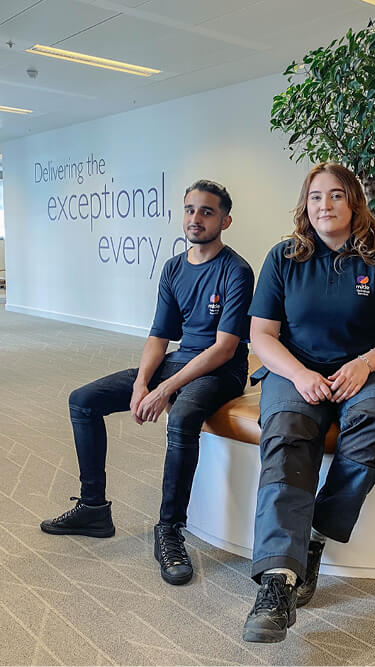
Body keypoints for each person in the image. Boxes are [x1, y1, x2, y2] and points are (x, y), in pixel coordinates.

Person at [40, 179, 254, 587]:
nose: (196, 218)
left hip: (221, 371)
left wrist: (165, 389)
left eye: (207, 212)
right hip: (180, 361)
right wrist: (142, 384)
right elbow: (159, 336)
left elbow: (225, 348)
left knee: (182, 417)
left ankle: (169, 529)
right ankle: (93, 507)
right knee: (83, 400)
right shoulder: (174, 267)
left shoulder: (236, 270)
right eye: (190, 209)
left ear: (225, 220)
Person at [242, 162, 375, 643]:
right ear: (305, 204)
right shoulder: (283, 258)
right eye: (317, 196)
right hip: (296, 371)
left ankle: (317, 532)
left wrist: (364, 364)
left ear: (354, 203)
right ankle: (277, 584)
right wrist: (299, 374)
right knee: (287, 434)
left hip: (368, 370)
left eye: (337, 195)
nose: (326, 205)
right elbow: (262, 334)